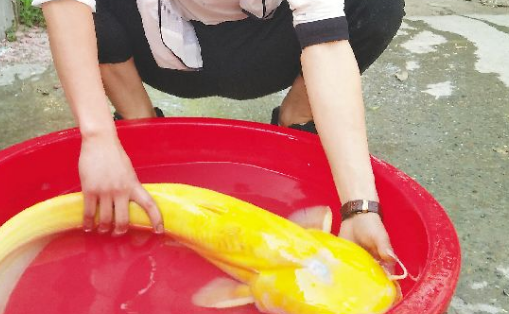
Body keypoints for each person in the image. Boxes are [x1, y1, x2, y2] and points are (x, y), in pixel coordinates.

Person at [32, 0, 404, 261]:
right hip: (159, 46)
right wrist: (98, 139)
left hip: (265, 47)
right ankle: (139, 130)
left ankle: (298, 119)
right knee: (86, 14)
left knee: (376, 6)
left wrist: (360, 209)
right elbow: (65, 6)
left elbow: (327, 44)